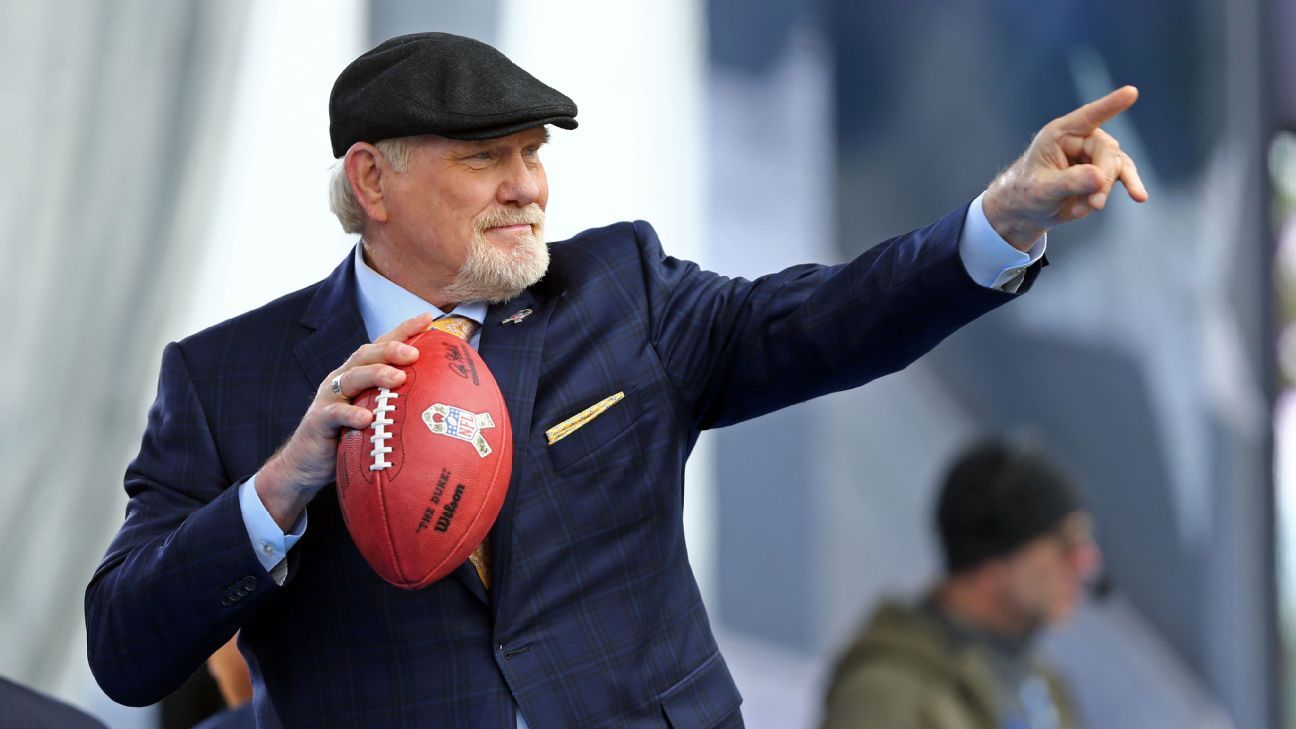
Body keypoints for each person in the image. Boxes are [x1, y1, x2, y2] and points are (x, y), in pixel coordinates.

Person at [85, 32, 1145, 729]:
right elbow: (126, 651)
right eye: (486, 158)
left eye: (533, 151)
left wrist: (1001, 221)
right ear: (373, 179)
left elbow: (829, 318)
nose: (528, 187)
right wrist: (279, 491)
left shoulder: (619, 289)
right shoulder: (225, 379)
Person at [820, 437, 1102, 729]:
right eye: (1065, 546)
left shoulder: (1041, 685)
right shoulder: (887, 696)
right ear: (990, 570)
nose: (1085, 564)